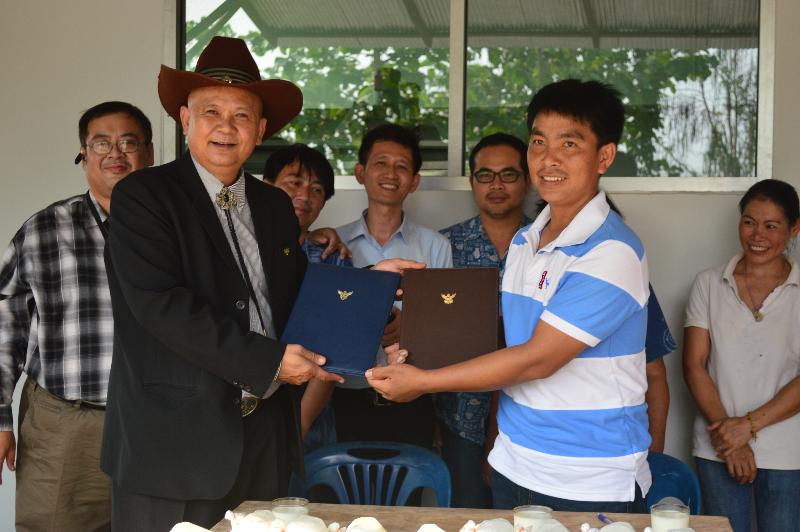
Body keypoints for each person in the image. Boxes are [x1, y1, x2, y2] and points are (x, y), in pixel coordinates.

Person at [368, 79, 651, 513]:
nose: (548, 159)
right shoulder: (526, 241)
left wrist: (422, 381)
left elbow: (537, 359)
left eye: (569, 144)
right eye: (538, 142)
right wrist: (415, 338)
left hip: (589, 478)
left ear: (604, 157)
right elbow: (500, 337)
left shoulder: (612, 251)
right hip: (515, 463)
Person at [100, 37, 348, 531]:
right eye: (211, 111)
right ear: (185, 119)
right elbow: (160, 305)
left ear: (260, 129)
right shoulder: (144, 196)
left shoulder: (274, 206)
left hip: (264, 438)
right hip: (172, 444)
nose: (226, 127)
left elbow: (296, 301)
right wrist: (269, 361)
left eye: (241, 115)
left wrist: (371, 304)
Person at [0, 101, 154, 531]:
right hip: (66, 424)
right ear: (83, 155)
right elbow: (5, 329)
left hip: (158, 423)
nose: (115, 153)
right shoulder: (45, 229)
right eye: (101, 143)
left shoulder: (177, 228)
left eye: (128, 142)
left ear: (149, 152)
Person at [683, 179, 800, 532]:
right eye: (749, 222)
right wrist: (730, 441)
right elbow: (694, 366)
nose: (757, 234)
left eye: (771, 225)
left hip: (787, 450)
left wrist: (746, 428)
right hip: (717, 447)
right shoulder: (708, 283)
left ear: (794, 229)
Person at [332, 123, 453, 450]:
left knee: (412, 481)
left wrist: (405, 328)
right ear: (360, 172)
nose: (390, 173)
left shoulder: (435, 246)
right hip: (344, 397)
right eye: (381, 163)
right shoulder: (334, 243)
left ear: (414, 182)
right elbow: (326, 318)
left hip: (412, 397)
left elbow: (443, 326)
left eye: (402, 166)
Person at [437, 132, 532, 509]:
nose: (496, 185)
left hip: (529, 413)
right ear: (472, 182)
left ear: (527, 181)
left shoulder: (546, 244)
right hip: (459, 412)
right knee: (466, 517)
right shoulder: (445, 245)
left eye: (508, 174)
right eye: (485, 175)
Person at [262, 144, 352, 453]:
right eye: (294, 182)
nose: (305, 195)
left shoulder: (331, 259)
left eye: (317, 190)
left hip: (311, 416)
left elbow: (336, 350)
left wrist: (300, 424)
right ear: (266, 185)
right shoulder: (244, 249)